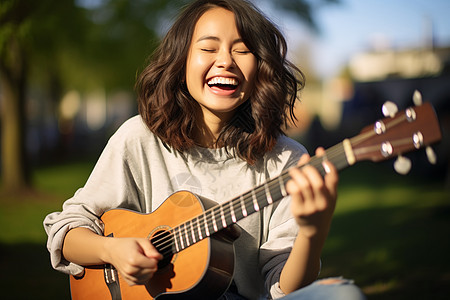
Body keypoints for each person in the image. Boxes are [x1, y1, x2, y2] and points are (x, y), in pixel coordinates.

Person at [44, 0, 366, 299]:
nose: (225, 61)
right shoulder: (139, 139)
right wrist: (111, 252)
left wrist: (313, 231)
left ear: (261, 68)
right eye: (208, 47)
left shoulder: (287, 161)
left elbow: (285, 291)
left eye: (242, 51)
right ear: (183, 60)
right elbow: (67, 232)